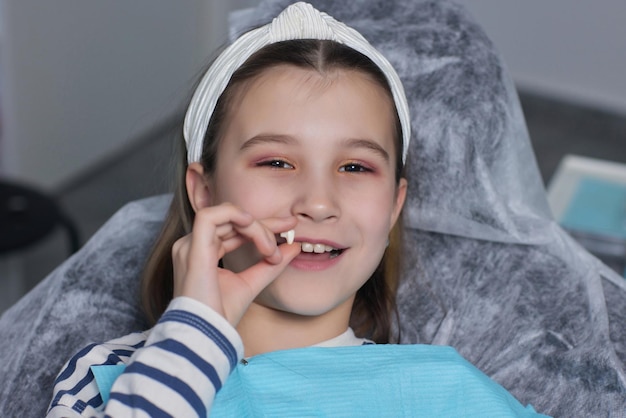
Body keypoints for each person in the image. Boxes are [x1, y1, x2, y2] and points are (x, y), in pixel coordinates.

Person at [47, 3, 548, 417]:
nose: (318, 202)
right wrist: (196, 329)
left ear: (394, 206)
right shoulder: (107, 379)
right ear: (204, 192)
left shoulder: (448, 393)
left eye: (355, 168)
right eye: (277, 161)